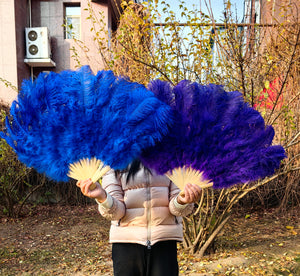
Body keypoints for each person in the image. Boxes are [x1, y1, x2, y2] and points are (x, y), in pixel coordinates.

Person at [77, 159, 202, 276]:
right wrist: (102, 197)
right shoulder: (114, 159)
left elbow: (176, 210)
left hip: (164, 244)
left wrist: (182, 200)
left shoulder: (172, 156)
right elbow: (116, 213)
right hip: (126, 246)